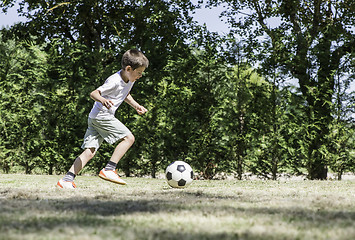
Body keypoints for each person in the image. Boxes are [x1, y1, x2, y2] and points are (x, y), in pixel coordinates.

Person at [57, 49, 149, 189]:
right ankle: (109, 169)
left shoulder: (129, 79)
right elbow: (94, 93)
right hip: (102, 116)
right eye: (139, 73)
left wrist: (136, 106)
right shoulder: (114, 81)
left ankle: (66, 180)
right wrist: (102, 100)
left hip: (95, 117)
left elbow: (125, 94)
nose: (140, 76)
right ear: (129, 68)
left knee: (90, 151)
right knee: (128, 138)